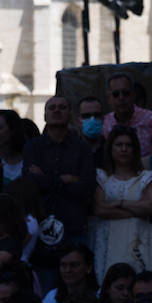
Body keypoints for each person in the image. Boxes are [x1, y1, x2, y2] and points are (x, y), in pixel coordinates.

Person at [22, 96, 97, 270]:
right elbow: (30, 185)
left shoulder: (82, 148)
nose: (57, 110)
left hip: (74, 226)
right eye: (52, 107)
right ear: (45, 115)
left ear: (70, 114)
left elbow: (85, 188)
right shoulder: (33, 147)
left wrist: (45, 178)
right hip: (41, 228)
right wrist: (65, 179)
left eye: (62, 107)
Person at [91, 125, 152, 280]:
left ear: (135, 149)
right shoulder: (101, 177)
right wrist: (136, 210)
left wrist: (120, 203)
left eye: (128, 145)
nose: (124, 149)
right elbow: (100, 210)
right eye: (119, 145)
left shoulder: (146, 177)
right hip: (107, 238)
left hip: (138, 238)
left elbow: (150, 207)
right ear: (111, 148)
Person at [103, 71, 152, 157]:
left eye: (125, 93)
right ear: (109, 98)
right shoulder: (104, 123)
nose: (121, 98)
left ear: (133, 95)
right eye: (116, 94)